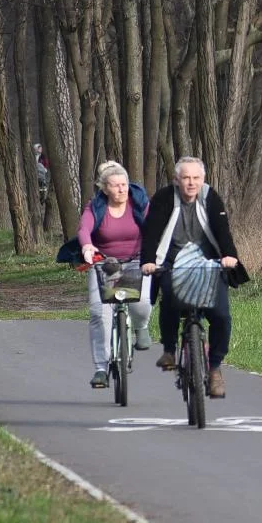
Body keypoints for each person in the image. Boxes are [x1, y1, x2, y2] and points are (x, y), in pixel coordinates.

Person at [140, 156, 249, 398]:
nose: (191, 183)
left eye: (196, 178)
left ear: (203, 180)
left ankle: (215, 369)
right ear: (176, 180)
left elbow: (222, 231)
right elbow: (152, 233)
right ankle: (169, 349)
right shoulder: (164, 198)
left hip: (207, 264)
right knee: (169, 298)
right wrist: (148, 261)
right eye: (186, 178)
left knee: (220, 314)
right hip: (172, 263)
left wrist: (229, 256)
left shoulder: (210, 197)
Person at [75, 161, 153, 389]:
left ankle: (140, 327)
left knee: (142, 302)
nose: (121, 189)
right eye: (116, 185)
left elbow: (154, 226)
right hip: (104, 264)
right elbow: (84, 229)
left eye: (124, 184)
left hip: (137, 261)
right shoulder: (95, 207)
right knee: (100, 314)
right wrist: (87, 247)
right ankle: (101, 368)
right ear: (104, 188)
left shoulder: (139, 204)